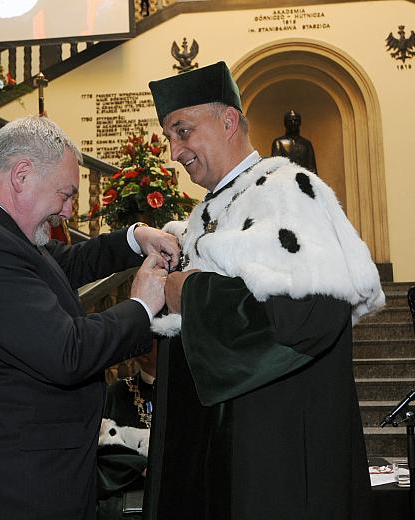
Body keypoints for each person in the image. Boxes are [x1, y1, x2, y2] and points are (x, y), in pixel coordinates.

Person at [143, 62, 385, 519]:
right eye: (169, 137)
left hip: (275, 454)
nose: (174, 151)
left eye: (183, 131)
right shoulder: (209, 209)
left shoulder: (287, 191)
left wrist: (188, 296)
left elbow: (313, 316)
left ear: (228, 121)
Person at [0, 115, 180, 519]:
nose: (68, 211)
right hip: (10, 488)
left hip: (30, 475)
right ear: (21, 175)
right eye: (65, 194)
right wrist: (140, 305)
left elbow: (65, 264)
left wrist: (135, 238)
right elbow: (68, 353)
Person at [97, 342, 158, 520]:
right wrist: (138, 464)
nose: (145, 343)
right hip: (127, 504)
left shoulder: (190, 393)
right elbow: (102, 454)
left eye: (153, 337)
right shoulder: (115, 393)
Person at [271, 109, 318, 174]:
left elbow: (312, 169)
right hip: (285, 180)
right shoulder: (278, 142)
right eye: (290, 121)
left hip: (304, 182)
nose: (293, 123)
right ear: (285, 123)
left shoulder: (307, 144)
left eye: (295, 120)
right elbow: (275, 168)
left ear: (300, 122)